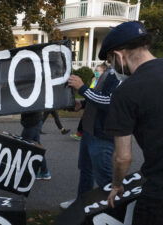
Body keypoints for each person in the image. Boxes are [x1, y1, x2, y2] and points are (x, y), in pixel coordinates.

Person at [102, 21, 163, 225]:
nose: (112, 66)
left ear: (118, 55)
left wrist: (117, 185)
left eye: (110, 60)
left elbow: (122, 157)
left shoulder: (125, 92)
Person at [60, 63, 121, 209]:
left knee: (104, 177)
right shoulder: (109, 72)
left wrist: (82, 87)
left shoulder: (120, 75)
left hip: (102, 136)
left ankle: (113, 211)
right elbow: (98, 95)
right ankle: (81, 204)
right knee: (86, 170)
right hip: (89, 132)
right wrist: (82, 103)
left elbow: (109, 101)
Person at [70, 64, 107, 141]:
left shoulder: (105, 82)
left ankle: (80, 133)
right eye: (95, 70)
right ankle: (80, 133)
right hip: (89, 106)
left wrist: (82, 88)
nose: (95, 72)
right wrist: (82, 103)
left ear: (104, 72)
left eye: (98, 70)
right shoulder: (94, 80)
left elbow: (98, 98)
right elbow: (90, 93)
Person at [21, 112, 51, 180]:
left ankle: (21, 171)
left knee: (24, 147)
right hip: (36, 121)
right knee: (37, 148)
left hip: (31, 124)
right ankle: (44, 172)